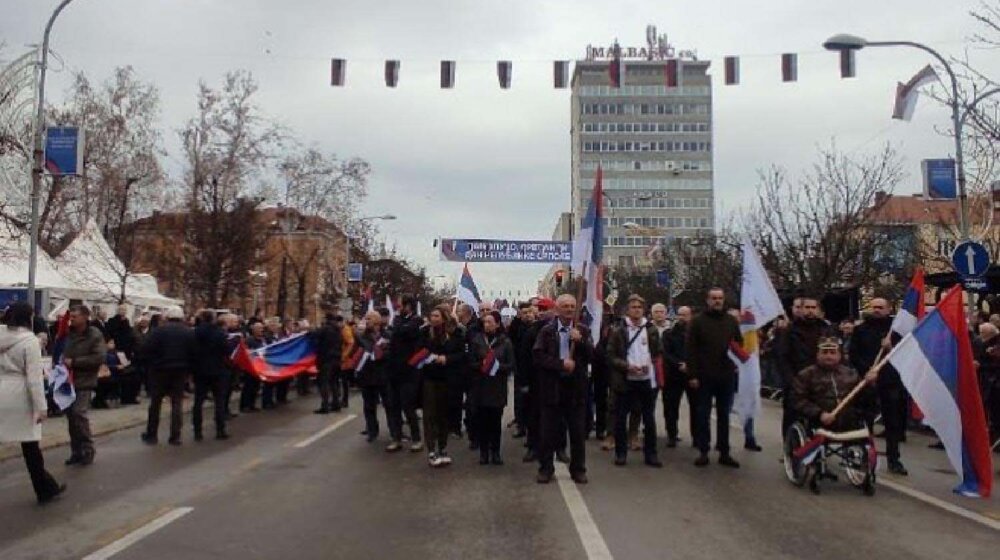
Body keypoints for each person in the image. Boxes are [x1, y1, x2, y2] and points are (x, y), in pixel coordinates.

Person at [0, 303, 66, 504]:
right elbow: (34, 379)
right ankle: (44, 488)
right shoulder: (30, 342)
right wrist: (42, 406)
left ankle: (48, 486)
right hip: (20, 395)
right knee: (30, 447)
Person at [533, 294, 593, 484]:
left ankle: (578, 469)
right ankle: (545, 468)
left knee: (577, 433)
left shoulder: (582, 330)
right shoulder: (547, 331)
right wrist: (560, 364)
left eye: (572, 306)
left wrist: (581, 341)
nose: (569, 309)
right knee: (548, 433)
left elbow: (594, 356)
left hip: (576, 390)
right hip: (553, 388)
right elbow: (538, 357)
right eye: (565, 306)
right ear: (557, 309)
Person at [849, 297, 908, 475]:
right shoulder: (860, 329)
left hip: (890, 380)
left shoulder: (896, 330)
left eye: (880, 307)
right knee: (865, 420)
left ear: (888, 309)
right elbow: (853, 353)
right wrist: (866, 371)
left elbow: (906, 353)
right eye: (873, 307)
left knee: (892, 422)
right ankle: (864, 455)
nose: (876, 310)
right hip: (867, 379)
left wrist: (891, 347)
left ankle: (894, 459)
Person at [686, 288, 742, 468]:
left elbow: (738, 343)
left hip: (725, 375)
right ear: (707, 300)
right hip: (704, 377)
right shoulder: (697, 322)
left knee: (724, 415)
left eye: (720, 298)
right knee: (703, 414)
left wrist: (737, 361)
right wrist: (693, 374)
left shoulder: (731, 321)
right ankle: (703, 451)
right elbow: (691, 350)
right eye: (714, 298)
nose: (717, 301)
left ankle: (724, 451)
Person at [607, 295, 664, 467]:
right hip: (626, 380)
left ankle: (651, 454)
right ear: (627, 310)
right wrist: (627, 366)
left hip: (646, 380)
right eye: (633, 307)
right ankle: (621, 453)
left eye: (639, 307)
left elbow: (658, 352)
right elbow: (610, 356)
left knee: (648, 418)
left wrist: (650, 365)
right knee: (621, 416)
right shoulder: (618, 330)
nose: (637, 309)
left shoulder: (651, 329)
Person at [776, 296, 833, 438]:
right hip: (796, 379)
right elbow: (782, 357)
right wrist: (790, 380)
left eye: (813, 308)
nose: (810, 311)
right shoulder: (789, 331)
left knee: (818, 415)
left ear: (819, 310)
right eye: (807, 307)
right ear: (800, 309)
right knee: (792, 416)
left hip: (821, 381)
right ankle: (790, 448)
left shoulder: (826, 330)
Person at [794, 337, 877, 433]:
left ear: (839, 355)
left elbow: (864, 398)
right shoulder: (806, 375)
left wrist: (869, 384)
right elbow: (798, 400)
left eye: (832, 353)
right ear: (817, 355)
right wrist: (819, 414)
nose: (828, 356)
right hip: (818, 424)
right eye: (824, 352)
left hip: (849, 423)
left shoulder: (851, 374)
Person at [140, 306, 195, 445]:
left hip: (160, 370)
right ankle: (175, 436)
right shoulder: (188, 332)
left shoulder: (159, 331)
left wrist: (153, 363)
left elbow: (146, 348)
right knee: (177, 403)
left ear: (167, 317)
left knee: (155, 403)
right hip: (180, 371)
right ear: (182, 317)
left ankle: (152, 434)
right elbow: (194, 352)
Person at [419, 305, 465, 467]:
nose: (433, 319)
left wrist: (447, 359)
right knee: (430, 415)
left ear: (444, 317)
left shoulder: (456, 333)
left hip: (448, 379)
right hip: (430, 378)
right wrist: (428, 357)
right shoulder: (425, 332)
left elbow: (461, 354)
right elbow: (419, 351)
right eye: (432, 315)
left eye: (437, 316)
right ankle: (431, 450)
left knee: (444, 414)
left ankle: (443, 448)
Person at [62, 304, 106, 466]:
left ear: (85, 317)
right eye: (71, 316)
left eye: (75, 316)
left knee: (79, 414)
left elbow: (99, 357)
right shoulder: (69, 334)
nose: (72, 319)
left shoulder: (94, 335)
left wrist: (75, 362)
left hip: (85, 380)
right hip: (68, 380)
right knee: (71, 418)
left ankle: (88, 449)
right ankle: (76, 451)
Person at [470, 311, 515, 465]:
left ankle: (495, 452)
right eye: (485, 322)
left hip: (497, 388)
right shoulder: (477, 340)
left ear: (497, 324)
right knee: (482, 421)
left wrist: (496, 367)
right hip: (481, 387)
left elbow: (511, 365)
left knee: (495, 422)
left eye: (490, 322)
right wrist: (481, 365)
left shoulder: (505, 342)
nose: (487, 324)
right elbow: (470, 363)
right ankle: (483, 452)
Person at [386, 296, 424, 453]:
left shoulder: (416, 320)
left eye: (400, 305)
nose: (397, 307)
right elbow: (396, 332)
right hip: (394, 370)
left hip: (409, 371)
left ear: (408, 306)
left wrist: (398, 330)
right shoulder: (397, 320)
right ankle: (396, 438)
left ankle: (416, 439)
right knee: (394, 406)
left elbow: (404, 331)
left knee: (408, 406)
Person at [192, 310, 230, 441]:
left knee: (198, 401)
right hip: (218, 370)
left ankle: (197, 432)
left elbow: (192, 350)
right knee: (219, 401)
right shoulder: (220, 333)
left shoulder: (196, 332)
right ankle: (220, 429)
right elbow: (227, 350)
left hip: (200, 370)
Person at [661, 305, 695, 448]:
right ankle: (672, 435)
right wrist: (679, 364)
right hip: (674, 375)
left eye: (685, 315)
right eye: (679, 315)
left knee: (696, 407)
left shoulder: (696, 334)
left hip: (692, 374)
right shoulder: (669, 333)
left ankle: (698, 437)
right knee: (671, 407)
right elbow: (666, 353)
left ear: (690, 316)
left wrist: (691, 365)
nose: (682, 318)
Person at [356, 311, 390, 442]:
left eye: (369, 319)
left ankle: (394, 430)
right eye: (366, 318)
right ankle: (372, 431)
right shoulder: (361, 337)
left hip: (383, 375)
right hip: (367, 375)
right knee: (369, 406)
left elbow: (391, 352)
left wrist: (381, 354)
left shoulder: (387, 335)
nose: (366, 321)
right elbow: (358, 353)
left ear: (377, 321)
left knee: (389, 405)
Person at [455, 303, 481, 445]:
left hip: (472, 373)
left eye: (458, 311)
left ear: (465, 313)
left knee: (472, 406)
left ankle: (475, 436)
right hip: (465, 373)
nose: (457, 313)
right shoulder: (464, 328)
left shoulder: (472, 329)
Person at [314, 313, 344, 414]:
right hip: (337, 359)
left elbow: (314, 335)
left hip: (326, 360)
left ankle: (325, 405)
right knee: (334, 382)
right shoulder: (338, 331)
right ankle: (336, 404)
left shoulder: (325, 329)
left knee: (324, 383)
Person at [239, 321, 266, 412]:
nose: (261, 330)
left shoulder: (262, 340)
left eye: (262, 328)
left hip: (259, 367)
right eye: (258, 328)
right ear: (253, 330)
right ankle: (245, 405)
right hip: (250, 367)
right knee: (248, 387)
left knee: (256, 386)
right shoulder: (249, 340)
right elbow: (247, 352)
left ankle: (252, 404)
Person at [339, 317, 356, 409]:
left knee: (344, 382)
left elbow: (350, 343)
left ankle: (344, 400)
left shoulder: (345, 330)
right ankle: (342, 400)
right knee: (343, 381)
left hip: (345, 361)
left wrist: (344, 355)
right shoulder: (345, 329)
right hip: (345, 360)